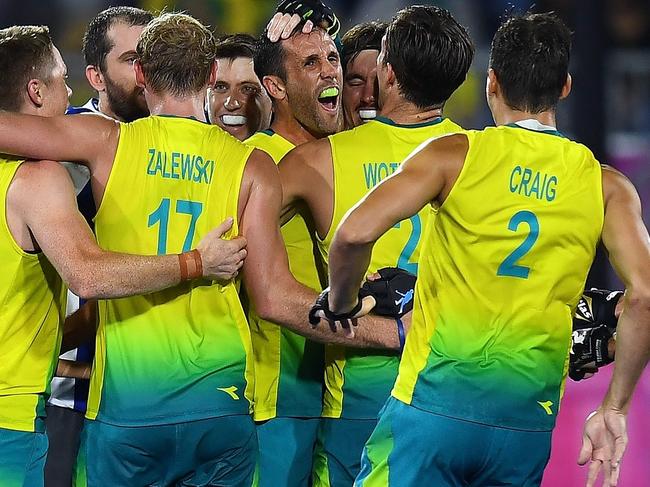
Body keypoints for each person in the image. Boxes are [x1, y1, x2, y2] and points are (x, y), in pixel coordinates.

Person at [0, 13, 404, 486]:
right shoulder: (252, 166)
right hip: (221, 403)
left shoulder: (106, 141)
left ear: (143, 75)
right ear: (211, 77)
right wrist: (389, 330)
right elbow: (276, 299)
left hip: (129, 411)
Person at [321, 12, 650, 487]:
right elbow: (643, 295)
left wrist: (343, 302)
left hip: (434, 407)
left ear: (491, 82)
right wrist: (613, 406)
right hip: (525, 424)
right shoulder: (606, 187)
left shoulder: (454, 155)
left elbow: (353, 234)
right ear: (566, 88)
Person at [0, 24, 246, 487]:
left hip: (103, 405)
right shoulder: (39, 178)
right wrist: (196, 261)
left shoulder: (99, 145)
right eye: (60, 77)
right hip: (14, 414)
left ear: (143, 75)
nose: (69, 89)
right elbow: (87, 277)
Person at [279, 6, 474, 485]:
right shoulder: (481, 157)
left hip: (357, 402)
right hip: (454, 397)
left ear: (388, 72)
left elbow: (228, 216)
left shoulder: (318, 161)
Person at [44, 8, 154, 487]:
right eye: (132, 59)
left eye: (151, 58)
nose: (146, 73)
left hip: (156, 387)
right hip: (70, 389)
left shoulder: (184, 140)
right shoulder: (55, 144)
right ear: (94, 76)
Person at [245, 17, 342, 486]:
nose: (330, 72)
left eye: (332, 57)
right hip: (278, 393)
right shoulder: (257, 159)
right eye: (310, 62)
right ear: (275, 87)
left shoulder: (347, 151)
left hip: (344, 387)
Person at [206, 33, 271, 140]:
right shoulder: (181, 150)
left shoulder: (299, 155)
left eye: (248, 89)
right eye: (220, 87)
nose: (231, 104)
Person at [340, 21, 387, 128]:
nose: (367, 97)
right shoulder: (315, 145)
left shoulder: (429, 143)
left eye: (378, 83)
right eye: (356, 83)